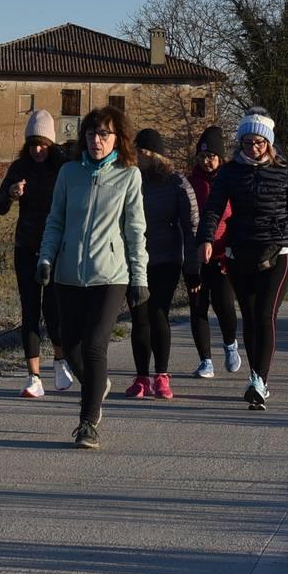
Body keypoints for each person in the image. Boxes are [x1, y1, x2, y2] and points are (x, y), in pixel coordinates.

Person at [196, 108, 288, 411]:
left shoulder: (286, 171)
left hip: (278, 251)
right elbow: (213, 209)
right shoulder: (230, 172)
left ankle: (260, 381)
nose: (253, 148)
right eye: (247, 142)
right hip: (241, 252)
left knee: (265, 314)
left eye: (259, 142)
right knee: (249, 317)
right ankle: (255, 376)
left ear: (269, 143)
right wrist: (206, 239)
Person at [36, 104, 147, 450]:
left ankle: (87, 423)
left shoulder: (129, 175)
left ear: (117, 138)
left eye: (103, 134)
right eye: (91, 134)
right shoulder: (69, 173)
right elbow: (55, 220)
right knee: (70, 347)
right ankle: (98, 387)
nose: (96, 141)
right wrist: (45, 258)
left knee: (95, 345)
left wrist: (139, 277)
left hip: (110, 276)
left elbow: (135, 230)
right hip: (68, 274)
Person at [0, 109, 73, 397]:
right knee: (30, 310)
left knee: (53, 309)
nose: (37, 150)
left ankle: (60, 359)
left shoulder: (63, 167)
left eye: (42, 145)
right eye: (32, 145)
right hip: (25, 246)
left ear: (51, 144)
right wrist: (10, 194)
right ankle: (33, 376)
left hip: (56, 248)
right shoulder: (19, 167)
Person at [123, 128, 199, 400]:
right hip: (135, 259)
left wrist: (193, 268)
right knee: (139, 317)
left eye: (143, 152)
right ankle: (141, 377)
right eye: (137, 152)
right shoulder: (131, 179)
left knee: (158, 314)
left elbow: (191, 226)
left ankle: (162, 375)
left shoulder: (176, 182)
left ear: (156, 155)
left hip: (167, 258)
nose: (139, 157)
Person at [186, 125, 241, 379]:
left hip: (222, 254)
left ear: (220, 157)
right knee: (198, 307)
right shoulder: (190, 183)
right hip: (196, 255)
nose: (206, 161)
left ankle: (230, 344)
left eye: (211, 156)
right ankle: (205, 360)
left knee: (224, 305)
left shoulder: (231, 181)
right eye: (202, 156)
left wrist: (232, 249)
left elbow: (237, 217)